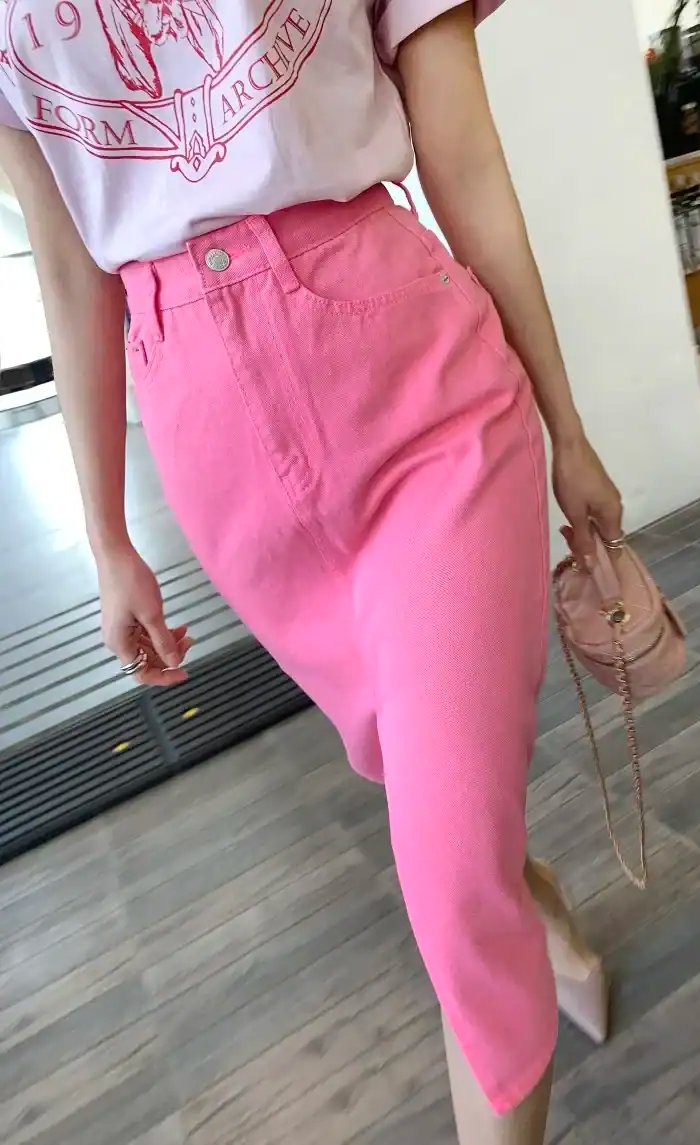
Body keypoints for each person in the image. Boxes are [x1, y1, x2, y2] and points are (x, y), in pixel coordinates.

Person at [0, 2, 623, 1141]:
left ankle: (495, 917)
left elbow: (464, 160)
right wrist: (106, 536)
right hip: (221, 459)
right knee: (427, 787)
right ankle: (526, 896)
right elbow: (67, 259)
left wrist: (567, 429)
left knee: (447, 873)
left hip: (421, 402)